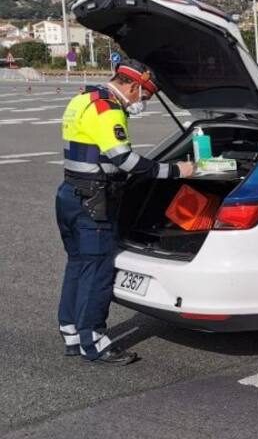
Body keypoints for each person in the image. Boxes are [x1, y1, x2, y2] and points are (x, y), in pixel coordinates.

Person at [57, 59, 194, 364]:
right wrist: (177, 170)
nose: (142, 101)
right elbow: (126, 161)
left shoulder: (82, 99)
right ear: (133, 85)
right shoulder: (109, 109)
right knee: (98, 269)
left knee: (78, 265)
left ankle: (71, 332)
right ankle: (93, 340)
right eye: (143, 95)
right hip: (94, 202)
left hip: (70, 194)